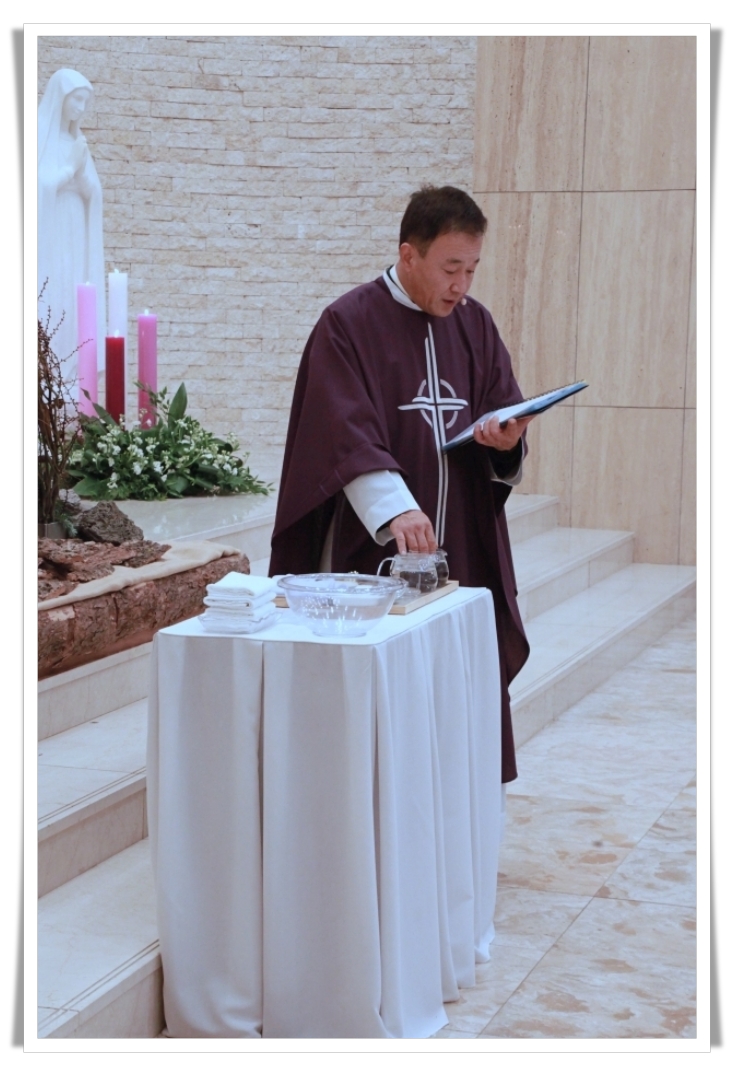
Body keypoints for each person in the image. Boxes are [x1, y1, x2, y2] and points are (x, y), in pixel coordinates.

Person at [269, 185, 531, 783]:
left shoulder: (476, 325)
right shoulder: (348, 323)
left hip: (462, 542)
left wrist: (507, 441)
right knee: (380, 712)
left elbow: (503, 407)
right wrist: (395, 509)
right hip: (377, 548)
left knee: (457, 693)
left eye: (472, 269)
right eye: (450, 268)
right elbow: (340, 430)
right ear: (408, 255)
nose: (461, 285)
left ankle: (454, 800)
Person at [38, 68, 106, 384]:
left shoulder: (77, 143)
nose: (81, 108)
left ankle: (72, 373)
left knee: (74, 292)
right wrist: (69, 169)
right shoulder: (39, 140)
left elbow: (93, 191)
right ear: (61, 98)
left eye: (85, 102)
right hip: (51, 232)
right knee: (53, 292)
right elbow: (36, 189)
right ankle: (47, 370)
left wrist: (82, 178)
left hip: (75, 227)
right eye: (76, 100)